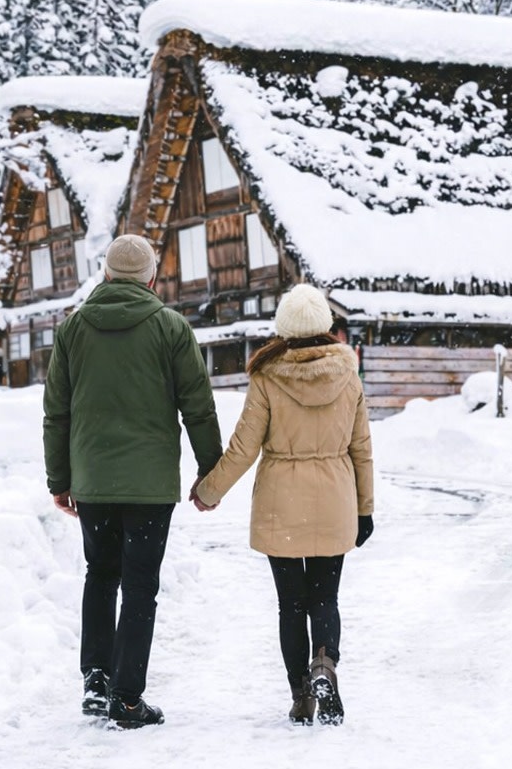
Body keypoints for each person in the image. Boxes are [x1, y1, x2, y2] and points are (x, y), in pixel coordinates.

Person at [43, 234, 221, 729]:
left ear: (105, 274)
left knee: (100, 575)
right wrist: (212, 471)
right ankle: (126, 698)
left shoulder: (74, 328)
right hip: (149, 488)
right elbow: (197, 406)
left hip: (93, 483)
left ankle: (96, 680)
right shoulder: (170, 328)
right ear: (151, 277)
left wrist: (60, 479)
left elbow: (56, 411)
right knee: (140, 586)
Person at [191, 283, 374, 726]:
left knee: (291, 605)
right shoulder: (348, 374)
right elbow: (361, 448)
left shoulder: (268, 375)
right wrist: (365, 509)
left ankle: (300, 695)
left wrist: (208, 490)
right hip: (334, 499)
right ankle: (325, 666)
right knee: (325, 598)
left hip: (282, 504)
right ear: (325, 324)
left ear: (285, 326)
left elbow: (243, 447)